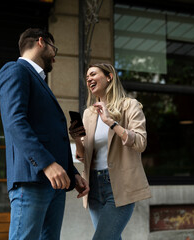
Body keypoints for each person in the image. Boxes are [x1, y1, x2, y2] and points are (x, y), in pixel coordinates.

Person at [0, 28, 89, 240]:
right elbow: (15, 122)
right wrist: (47, 164)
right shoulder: (15, 70)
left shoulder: (40, 81)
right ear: (41, 42)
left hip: (57, 183)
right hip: (32, 180)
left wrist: (72, 172)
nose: (55, 58)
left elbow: (51, 134)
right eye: (54, 49)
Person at [70, 63, 151, 240]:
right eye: (87, 77)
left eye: (93, 74)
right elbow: (84, 156)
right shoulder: (88, 114)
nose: (89, 78)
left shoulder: (130, 106)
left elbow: (140, 143)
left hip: (120, 185)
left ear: (109, 77)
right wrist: (77, 139)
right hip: (94, 185)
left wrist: (111, 123)